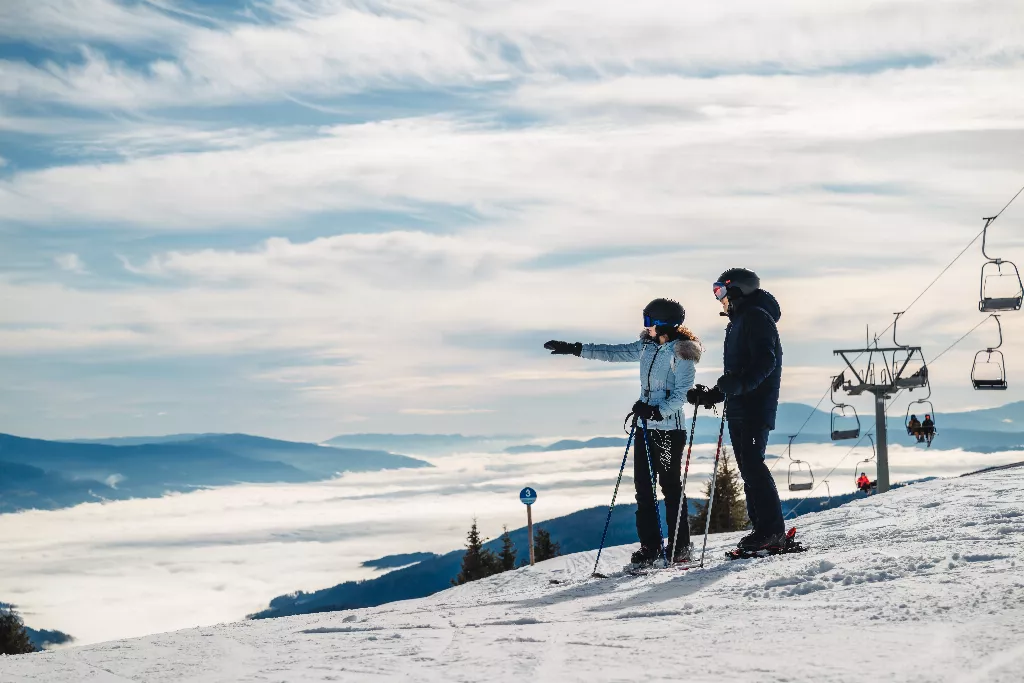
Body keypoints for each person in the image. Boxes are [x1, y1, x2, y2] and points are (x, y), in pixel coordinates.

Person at [544, 298, 701, 568]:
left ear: (664, 323)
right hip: (644, 429)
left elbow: (682, 394)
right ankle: (650, 548)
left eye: (649, 321)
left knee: (671, 488)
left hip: (667, 431)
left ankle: (680, 547)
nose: (646, 327)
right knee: (643, 489)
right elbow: (612, 352)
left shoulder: (682, 353)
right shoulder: (646, 347)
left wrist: (656, 412)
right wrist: (575, 349)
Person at [687, 268, 786, 553]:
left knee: (753, 465)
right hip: (740, 406)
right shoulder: (738, 322)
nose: (719, 299)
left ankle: (772, 531)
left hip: (756, 406)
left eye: (721, 292)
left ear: (737, 291)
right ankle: (761, 530)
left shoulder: (756, 317)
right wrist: (713, 395)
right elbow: (737, 373)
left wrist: (740, 384)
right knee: (747, 468)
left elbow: (766, 362)